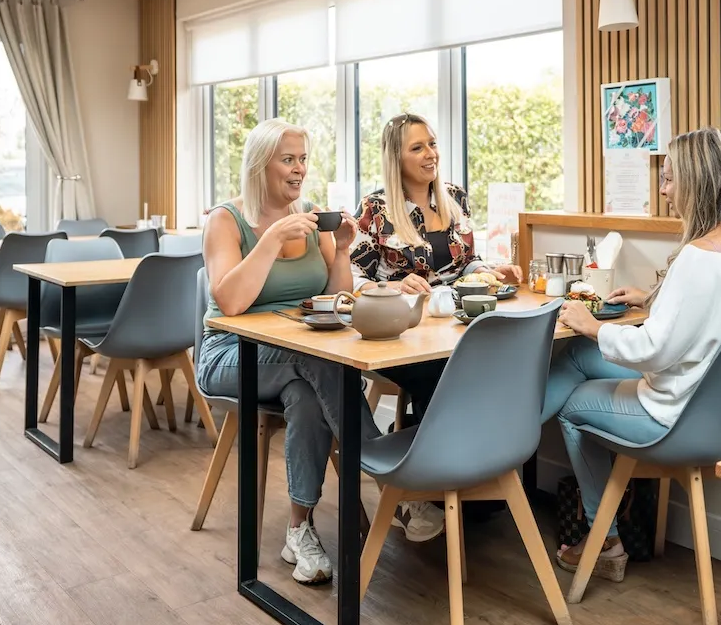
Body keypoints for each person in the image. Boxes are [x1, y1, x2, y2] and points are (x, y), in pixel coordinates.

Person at [197, 118, 444, 586]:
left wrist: (344, 252)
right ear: (260, 165)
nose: (299, 170)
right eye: (288, 160)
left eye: (303, 159)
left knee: (308, 396)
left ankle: (298, 531)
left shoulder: (311, 217)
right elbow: (230, 303)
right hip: (232, 354)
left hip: (296, 355)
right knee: (319, 363)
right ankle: (395, 483)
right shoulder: (226, 221)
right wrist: (270, 239)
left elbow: (337, 296)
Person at [543, 127, 721, 580]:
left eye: (670, 179)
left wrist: (592, 324)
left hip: (676, 414)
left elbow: (653, 351)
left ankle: (606, 541)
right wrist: (653, 299)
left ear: (699, 182)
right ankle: (508, 437)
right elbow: (713, 320)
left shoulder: (697, 258)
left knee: (570, 402)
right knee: (578, 358)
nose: (663, 190)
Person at [350, 113, 522, 424]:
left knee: (497, 363)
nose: (431, 154)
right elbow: (352, 276)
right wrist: (392, 288)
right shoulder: (374, 209)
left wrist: (489, 271)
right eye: (417, 148)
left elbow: (467, 260)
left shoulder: (455, 197)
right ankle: (430, 455)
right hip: (404, 334)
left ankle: (441, 446)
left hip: (456, 327)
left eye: (432, 144)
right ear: (395, 158)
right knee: (442, 374)